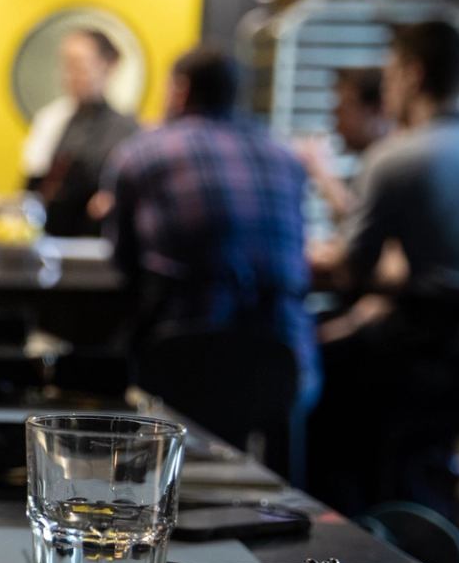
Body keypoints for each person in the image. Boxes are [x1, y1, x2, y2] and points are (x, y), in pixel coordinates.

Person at [307, 21, 459, 513]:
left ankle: (351, 540)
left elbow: (352, 269)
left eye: (388, 76)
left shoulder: (397, 157)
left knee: (321, 382)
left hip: (437, 360)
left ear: (411, 73)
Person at [102, 44, 317, 405]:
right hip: (289, 362)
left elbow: (124, 262)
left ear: (181, 89)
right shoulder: (285, 157)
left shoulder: (142, 153)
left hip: (185, 361)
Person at [32, 28, 138, 237]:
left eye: (79, 65)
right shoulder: (52, 121)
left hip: (99, 243)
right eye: (66, 66)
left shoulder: (128, 128)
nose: (70, 76)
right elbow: (34, 186)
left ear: (108, 65)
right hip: (52, 237)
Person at [296, 67, 388, 223]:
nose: (336, 120)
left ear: (375, 111)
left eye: (344, 108)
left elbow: (359, 225)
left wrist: (320, 170)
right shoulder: (370, 163)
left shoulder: (391, 166)